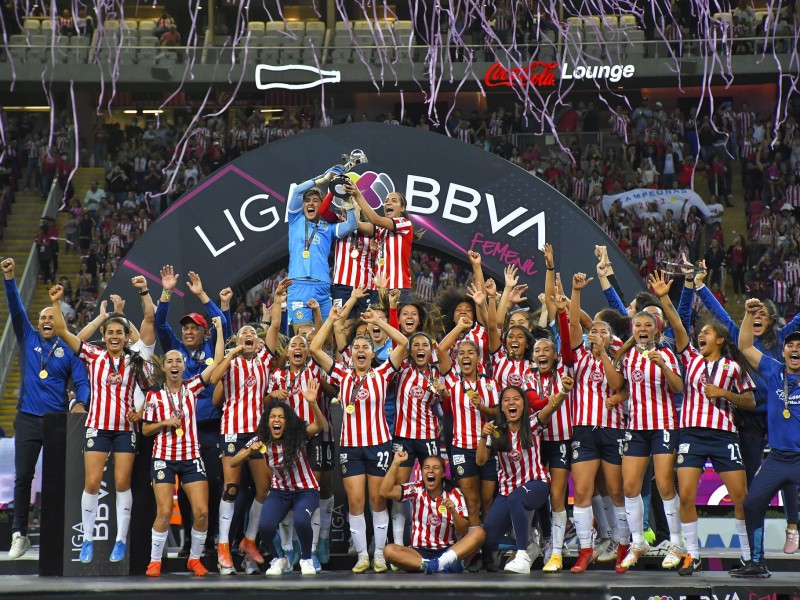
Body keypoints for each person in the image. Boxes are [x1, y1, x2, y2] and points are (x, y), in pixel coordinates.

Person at [650, 271, 755, 576]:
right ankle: (692, 555)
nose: (700, 335)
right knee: (685, 494)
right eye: (701, 332)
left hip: (724, 435)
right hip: (691, 434)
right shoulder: (692, 360)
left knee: (741, 498)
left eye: (707, 332)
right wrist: (664, 297)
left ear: (720, 339)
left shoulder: (733, 367)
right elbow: (679, 326)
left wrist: (724, 393)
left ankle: (747, 556)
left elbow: (750, 400)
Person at [49, 277, 156, 565]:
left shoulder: (135, 361)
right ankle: (87, 539)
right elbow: (61, 330)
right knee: (92, 482)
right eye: (110, 332)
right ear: (105, 334)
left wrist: (142, 410)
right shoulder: (93, 354)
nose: (114, 337)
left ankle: (120, 540)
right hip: (97, 426)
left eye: (119, 333)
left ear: (125, 336)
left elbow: (150, 390)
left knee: (122, 483)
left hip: (125, 429)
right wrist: (57, 302)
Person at [693, 271, 800, 553]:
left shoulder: (784, 338)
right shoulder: (743, 342)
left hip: (781, 418)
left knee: (788, 469)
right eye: (754, 313)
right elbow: (721, 314)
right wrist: (702, 286)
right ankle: (756, 546)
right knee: (754, 484)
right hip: (751, 418)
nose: (757, 317)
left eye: (764, 314)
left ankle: (792, 526)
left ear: (773, 320)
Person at [2, 258, 90, 559]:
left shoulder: (69, 350)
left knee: (58, 482)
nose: (45, 320)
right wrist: (10, 278)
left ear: (60, 320)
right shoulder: (28, 338)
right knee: (23, 477)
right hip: (26, 419)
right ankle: (19, 535)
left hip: (57, 422)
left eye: (51, 316)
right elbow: (16, 310)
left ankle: (59, 537)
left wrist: (80, 402)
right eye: (42, 317)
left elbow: (82, 383)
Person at [310, 306, 407, 573]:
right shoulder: (342, 374)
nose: (361, 350)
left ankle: (379, 554)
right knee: (355, 503)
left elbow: (403, 342)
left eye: (365, 346)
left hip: (378, 445)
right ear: (350, 354)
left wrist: (379, 321)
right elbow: (316, 350)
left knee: (378, 500)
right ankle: (363, 555)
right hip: (350, 447)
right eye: (356, 347)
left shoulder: (383, 372)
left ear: (373, 353)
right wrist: (330, 319)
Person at [156, 265, 233, 557]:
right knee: (185, 490)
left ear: (203, 332)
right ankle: (189, 539)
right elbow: (161, 324)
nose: (188, 331)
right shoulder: (175, 351)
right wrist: (165, 292)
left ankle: (211, 536)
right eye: (185, 328)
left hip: (211, 430)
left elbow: (221, 322)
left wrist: (201, 294)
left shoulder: (214, 347)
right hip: (182, 432)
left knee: (212, 484)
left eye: (193, 328)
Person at [141, 316, 224, 577]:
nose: (175, 364)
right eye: (170, 361)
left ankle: (194, 559)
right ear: (164, 367)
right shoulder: (154, 395)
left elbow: (218, 362)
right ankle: (155, 560)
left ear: (183, 365)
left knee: (201, 511)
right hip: (164, 457)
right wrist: (165, 422)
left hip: (190, 456)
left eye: (179, 360)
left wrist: (220, 329)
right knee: (164, 511)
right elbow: (145, 430)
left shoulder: (192, 388)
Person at [209, 300, 282, 574]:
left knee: (265, 488)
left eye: (252, 333)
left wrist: (277, 299)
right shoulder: (231, 362)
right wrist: (232, 352)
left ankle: (249, 540)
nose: (248, 335)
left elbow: (274, 325)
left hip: (257, 433)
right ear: (237, 340)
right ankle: (223, 547)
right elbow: (213, 379)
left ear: (258, 342)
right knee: (231, 489)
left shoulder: (265, 359)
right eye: (243, 333)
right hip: (231, 431)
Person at [565, 272, 630, 574]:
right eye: (595, 332)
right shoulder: (578, 355)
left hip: (613, 429)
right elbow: (574, 322)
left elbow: (617, 385)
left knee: (616, 492)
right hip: (583, 430)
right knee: (582, 492)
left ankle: (623, 544)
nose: (597, 334)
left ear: (611, 338)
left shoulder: (615, 358)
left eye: (603, 332)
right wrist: (576, 291)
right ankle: (584, 549)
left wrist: (604, 354)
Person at [613, 306, 685, 571]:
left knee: (665, 485)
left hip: (664, 425)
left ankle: (676, 543)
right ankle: (638, 542)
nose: (642, 329)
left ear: (657, 329)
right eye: (638, 326)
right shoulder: (627, 356)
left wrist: (663, 366)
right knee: (630, 486)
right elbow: (620, 387)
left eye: (647, 325)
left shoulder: (666, 353)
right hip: (636, 427)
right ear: (633, 330)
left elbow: (678, 387)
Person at [230, 380, 327, 577]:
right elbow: (233, 462)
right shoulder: (262, 438)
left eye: (281, 417)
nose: (277, 420)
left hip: (305, 489)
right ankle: (279, 558)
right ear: (268, 421)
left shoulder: (297, 434)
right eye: (273, 416)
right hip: (280, 491)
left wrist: (313, 403)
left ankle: (307, 558)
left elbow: (320, 425)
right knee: (264, 526)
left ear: (287, 421)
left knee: (301, 520)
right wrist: (249, 450)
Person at [477, 382, 573, 573]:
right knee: (488, 538)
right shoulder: (495, 430)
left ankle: (522, 555)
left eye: (516, 399)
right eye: (506, 400)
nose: (511, 403)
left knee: (517, 497)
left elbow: (550, 407)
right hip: (507, 491)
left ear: (524, 404)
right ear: (501, 407)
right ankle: (530, 545)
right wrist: (482, 436)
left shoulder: (533, 423)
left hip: (536, 485)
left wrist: (563, 391)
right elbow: (480, 461)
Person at [736, 299, 800, 578]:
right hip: (776, 458)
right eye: (791, 345)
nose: (796, 349)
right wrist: (749, 315)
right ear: (783, 350)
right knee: (752, 504)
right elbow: (745, 347)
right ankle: (757, 563)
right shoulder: (774, 371)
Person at [265, 333, 327, 571]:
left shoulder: (314, 371)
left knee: (310, 494)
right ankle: (289, 550)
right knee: (285, 489)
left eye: (303, 345)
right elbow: (266, 403)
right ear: (287, 352)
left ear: (308, 352)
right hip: (284, 442)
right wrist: (272, 395)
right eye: (294, 345)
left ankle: (310, 553)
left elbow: (329, 389)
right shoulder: (277, 375)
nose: (298, 348)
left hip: (310, 436)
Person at [380, 452, 485, 572]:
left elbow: (464, 531)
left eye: (436, 468)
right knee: (388, 550)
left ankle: (439, 563)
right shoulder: (416, 489)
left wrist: (453, 512)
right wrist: (396, 462)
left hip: (448, 550)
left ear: (443, 474)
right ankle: (432, 565)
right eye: (426, 467)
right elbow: (385, 491)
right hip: (419, 552)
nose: (430, 471)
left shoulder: (454, 493)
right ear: (422, 472)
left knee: (479, 532)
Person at [389, 331, 446, 548]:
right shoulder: (402, 368)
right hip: (403, 436)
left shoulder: (437, 372)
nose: (421, 348)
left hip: (428, 437)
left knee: (434, 487)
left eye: (425, 345)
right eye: (416, 345)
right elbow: (398, 341)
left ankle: (434, 539)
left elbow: (445, 403)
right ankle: (397, 544)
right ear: (410, 350)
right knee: (399, 490)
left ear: (431, 351)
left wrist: (444, 393)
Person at [287, 167, 356, 328]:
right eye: (307, 200)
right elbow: (297, 190)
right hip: (298, 285)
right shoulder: (295, 219)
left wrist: (347, 201)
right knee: (304, 334)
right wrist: (323, 179)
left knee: (326, 338)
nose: (310, 203)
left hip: (323, 286)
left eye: (315, 201)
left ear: (322, 205)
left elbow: (352, 225)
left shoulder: (329, 228)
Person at [346, 180, 417, 303]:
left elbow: (375, 219)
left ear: (402, 208)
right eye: (386, 201)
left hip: (398, 287)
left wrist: (358, 194)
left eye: (394, 201)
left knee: (396, 322)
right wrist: (351, 206)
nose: (388, 203)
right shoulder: (380, 230)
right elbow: (355, 225)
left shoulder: (404, 223)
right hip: (379, 289)